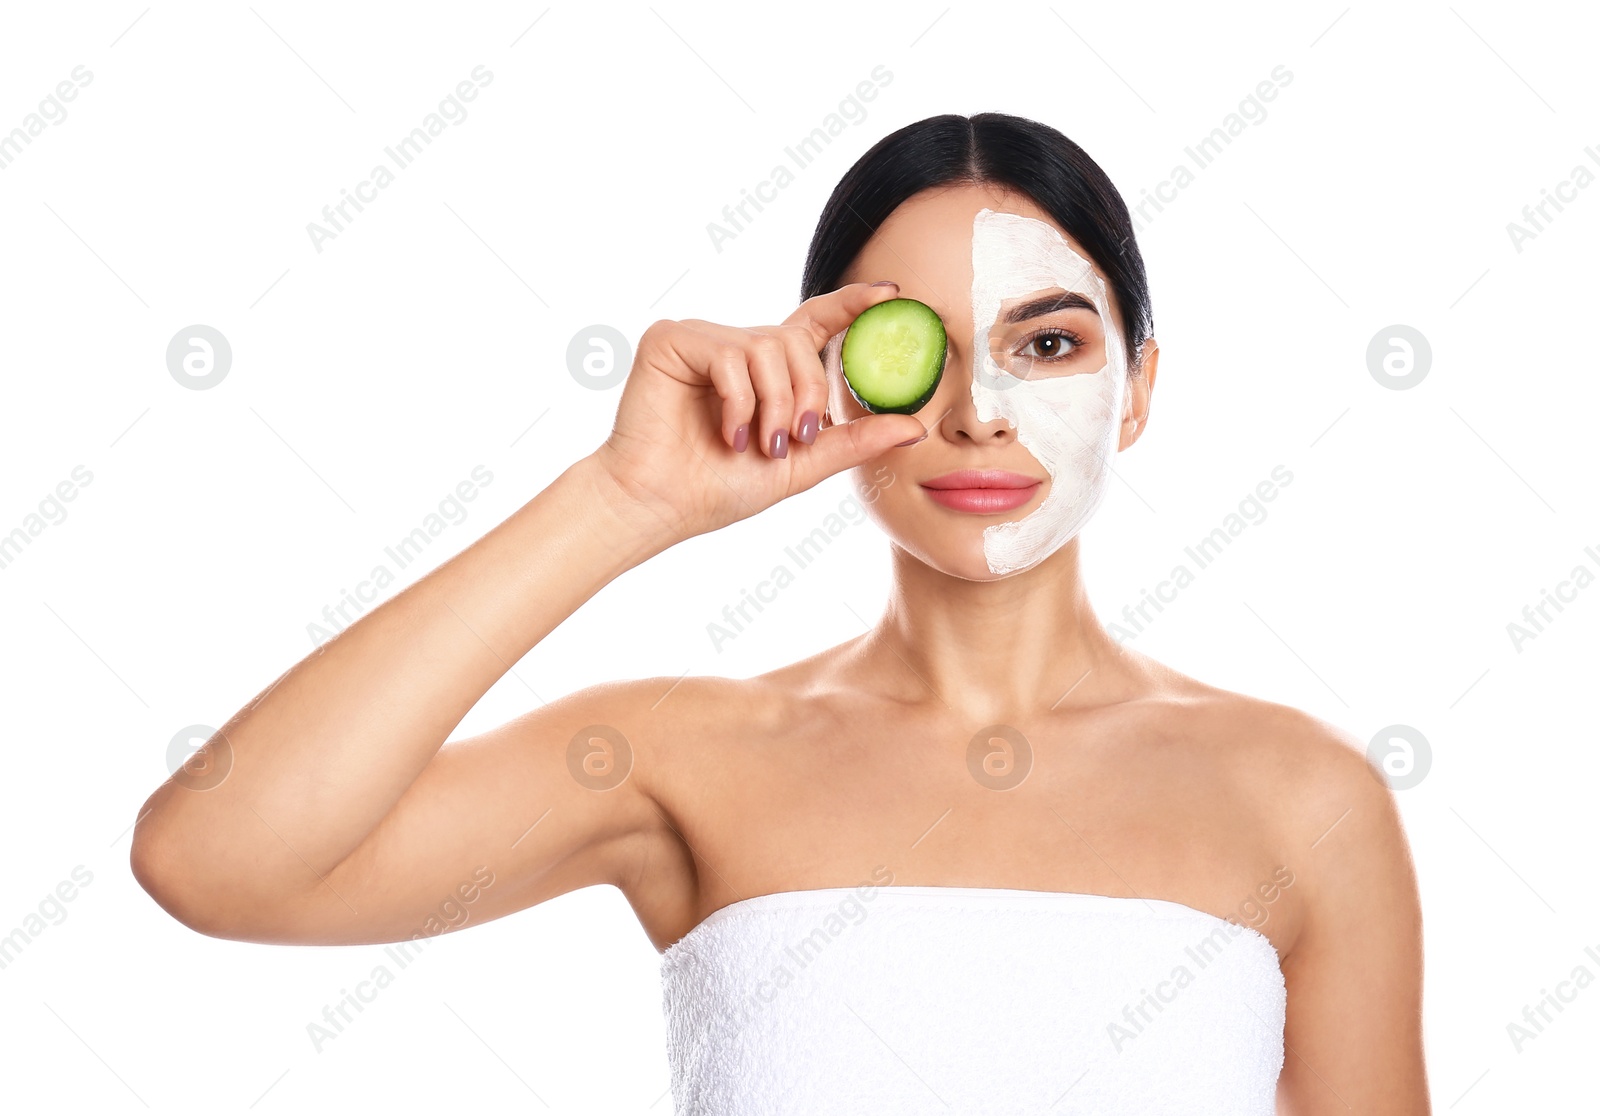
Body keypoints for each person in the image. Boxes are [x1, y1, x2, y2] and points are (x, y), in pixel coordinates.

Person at [130, 112, 1429, 1114]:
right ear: (827, 371)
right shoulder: (679, 758)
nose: (978, 411)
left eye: (1047, 345)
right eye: (919, 340)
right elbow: (217, 857)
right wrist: (626, 499)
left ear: (1137, 388)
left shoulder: (1302, 795)